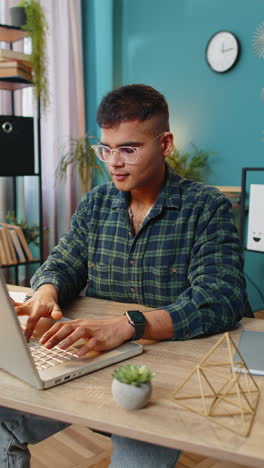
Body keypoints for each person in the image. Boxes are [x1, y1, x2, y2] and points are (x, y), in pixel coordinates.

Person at [0, 84, 246, 468]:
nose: (113, 162)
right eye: (106, 149)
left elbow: (221, 297)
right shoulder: (96, 203)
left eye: (128, 149)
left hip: (159, 372)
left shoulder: (206, 207)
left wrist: (129, 324)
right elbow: (64, 261)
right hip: (88, 358)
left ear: (164, 144)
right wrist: (46, 292)